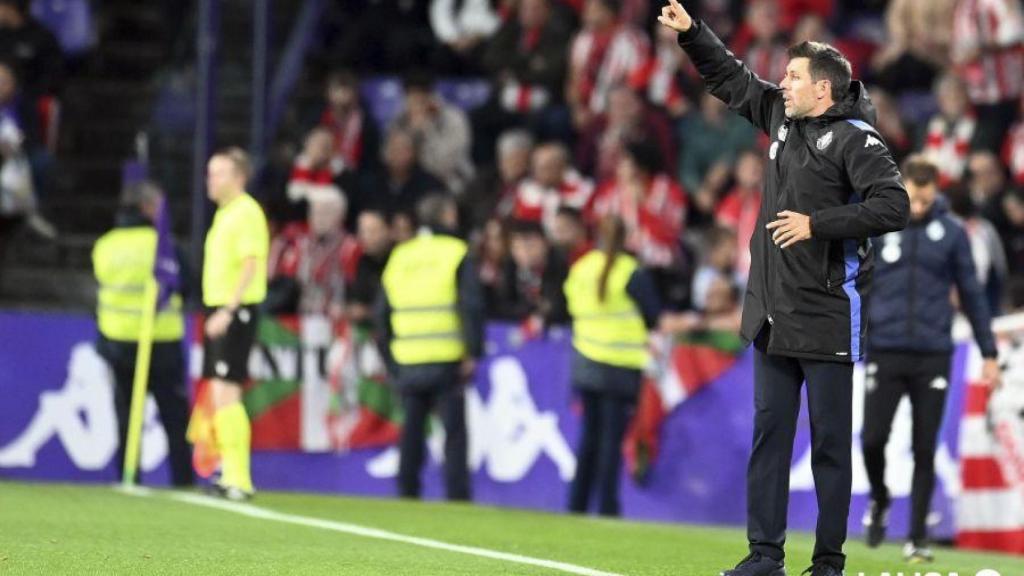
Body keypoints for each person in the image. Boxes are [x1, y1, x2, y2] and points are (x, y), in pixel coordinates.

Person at [658, 2, 910, 575]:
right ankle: (764, 556)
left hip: (825, 314)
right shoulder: (781, 118)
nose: (783, 81)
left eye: (793, 75)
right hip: (773, 315)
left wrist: (816, 224)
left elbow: (894, 205)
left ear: (822, 88)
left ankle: (827, 563)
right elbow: (730, 77)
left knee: (827, 448)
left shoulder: (855, 139)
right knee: (769, 439)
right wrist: (694, 34)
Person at [861, 155, 1000, 563]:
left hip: (933, 353)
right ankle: (881, 498)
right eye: (912, 199)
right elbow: (859, 285)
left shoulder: (953, 234)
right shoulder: (880, 225)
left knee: (925, 446)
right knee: (872, 439)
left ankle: (917, 537)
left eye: (924, 200)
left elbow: (972, 295)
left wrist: (989, 353)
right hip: (884, 349)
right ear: (901, 186)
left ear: (936, 192)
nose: (917, 208)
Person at [376, 194, 484, 500]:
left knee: (411, 430)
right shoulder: (456, 252)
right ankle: (457, 495)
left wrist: (391, 358)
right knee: (453, 432)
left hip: (408, 357)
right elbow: (471, 305)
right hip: (446, 356)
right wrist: (472, 351)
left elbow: (381, 313)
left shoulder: (401, 255)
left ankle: (407, 490)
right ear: (448, 215)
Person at [92, 181, 192, 487]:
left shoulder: (105, 245)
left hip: (117, 342)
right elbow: (186, 283)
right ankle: (183, 480)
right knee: (174, 417)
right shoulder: (163, 246)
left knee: (126, 415)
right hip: (160, 341)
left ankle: (129, 477)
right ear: (148, 207)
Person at [564, 215, 661, 516]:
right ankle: (607, 506)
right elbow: (654, 315)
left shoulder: (580, 268)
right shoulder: (631, 273)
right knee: (611, 439)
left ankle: (577, 503)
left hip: (586, 361)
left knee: (589, 436)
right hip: (620, 366)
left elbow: (570, 306)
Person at [201, 148, 270, 501]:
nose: (211, 180)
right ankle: (228, 469)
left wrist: (228, 310)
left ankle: (239, 477)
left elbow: (250, 264)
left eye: (219, 173)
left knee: (228, 389)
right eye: (210, 173)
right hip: (221, 309)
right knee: (219, 390)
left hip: (235, 310)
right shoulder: (226, 213)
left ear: (239, 177)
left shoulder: (245, 212)